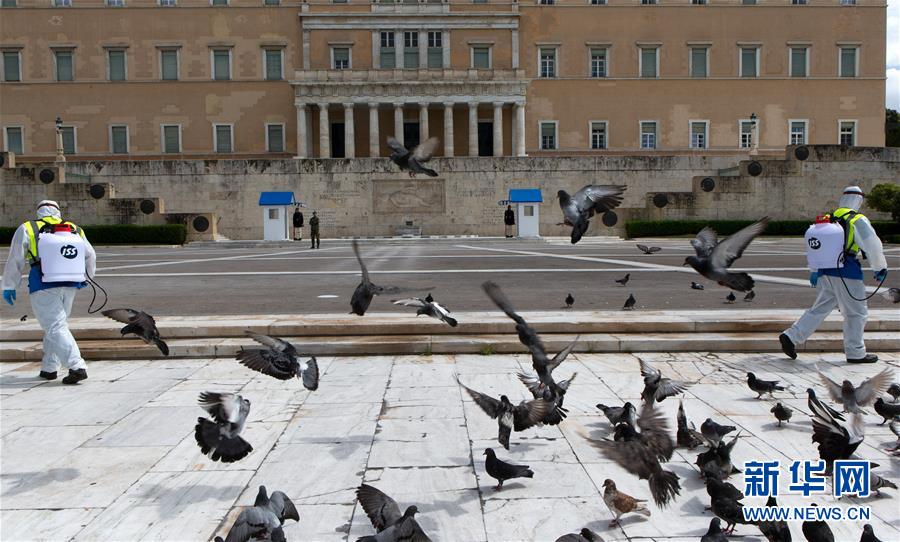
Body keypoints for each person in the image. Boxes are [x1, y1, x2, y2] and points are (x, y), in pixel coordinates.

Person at [780, 186, 888, 364]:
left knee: (819, 309)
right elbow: (872, 244)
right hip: (847, 272)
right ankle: (855, 352)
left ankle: (791, 336)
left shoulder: (828, 218)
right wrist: (879, 267)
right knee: (856, 313)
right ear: (859, 200)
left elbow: (817, 248)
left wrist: (814, 271)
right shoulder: (857, 219)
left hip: (825, 272)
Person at [2, 200, 96, 383]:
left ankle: (77, 366)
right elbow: (90, 254)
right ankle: (49, 368)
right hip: (70, 283)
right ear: (58, 212)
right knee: (56, 325)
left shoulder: (28, 228)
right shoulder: (74, 228)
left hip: (43, 282)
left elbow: (15, 258)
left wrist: (9, 285)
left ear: (39, 212)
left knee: (54, 326)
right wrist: (87, 277)